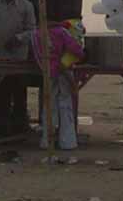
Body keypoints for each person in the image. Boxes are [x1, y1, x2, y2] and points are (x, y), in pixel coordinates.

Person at [0, 0, 36, 136]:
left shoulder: (26, 6)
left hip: (18, 59)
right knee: (1, 94)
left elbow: (32, 31)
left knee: (19, 93)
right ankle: (0, 129)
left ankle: (19, 128)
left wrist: (17, 39)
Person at [31, 20, 85, 150]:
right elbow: (76, 49)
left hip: (48, 72)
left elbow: (36, 55)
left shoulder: (36, 34)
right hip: (64, 71)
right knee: (65, 105)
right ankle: (67, 142)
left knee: (49, 106)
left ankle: (47, 141)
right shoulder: (62, 32)